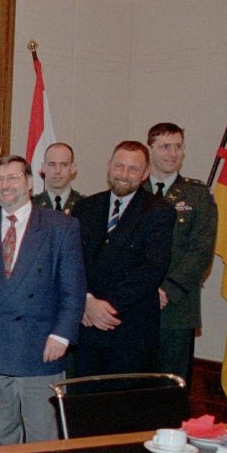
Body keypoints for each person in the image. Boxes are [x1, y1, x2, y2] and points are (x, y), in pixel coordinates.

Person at [0, 155, 86, 444]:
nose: (5, 186)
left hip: (40, 348)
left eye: (13, 178)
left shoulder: (60, 226)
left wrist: (62, 335)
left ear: (29, 183)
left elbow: (72, 289)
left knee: (42, 435)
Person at [72, 141, 176, 377]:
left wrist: (106, 307)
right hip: (86, 324)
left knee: (124, 409)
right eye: (119, 167)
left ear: (145, 174)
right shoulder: (85, 207)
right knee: (84, 405)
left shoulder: (159, 210)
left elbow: (151, 269)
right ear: (109, 166)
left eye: (133, 169)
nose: (124, 175)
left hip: (130, 329)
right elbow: (72, 263)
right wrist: (87, 302)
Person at [144, 122, 218, 383]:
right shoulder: (134, 191)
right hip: (136, 307)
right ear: (149, 149)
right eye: (165, 146)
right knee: (133, 388)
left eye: (178, 147)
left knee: (171, 387)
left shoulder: (197, 195)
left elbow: (201, 251)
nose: (172, 153)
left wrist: (166, 291)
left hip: (177, 309)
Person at [33, 141, 84, 214]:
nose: (58, 171)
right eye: (52, 164)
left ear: (73, 168)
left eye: (64, 165)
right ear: (43, 168)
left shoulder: (85, 205)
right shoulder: (31, 206)